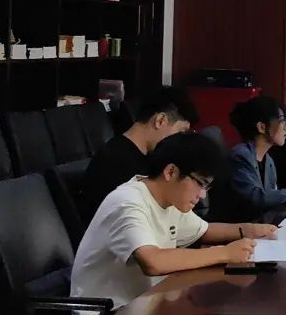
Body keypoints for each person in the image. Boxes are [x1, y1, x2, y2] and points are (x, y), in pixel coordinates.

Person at [70, 132, 276, 315]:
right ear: (171, 172)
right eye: (200, 183)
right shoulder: (128, 203)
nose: (202, 195)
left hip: (146, 306)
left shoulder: (170, 199)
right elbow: (153, 261)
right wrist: (225, 253)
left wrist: (251, 230)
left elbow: (204, 231)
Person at [81, 86, 199, 222]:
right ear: (160, 120)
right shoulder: (118, 165)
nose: (179, 141)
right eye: (181, 132)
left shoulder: (142, 157)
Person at [210, 96, 286, 222]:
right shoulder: (240, 155)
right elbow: (257, 197)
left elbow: (272, 199)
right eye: (281, 120)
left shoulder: (268, 160)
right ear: (261, 127)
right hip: (235, 227)